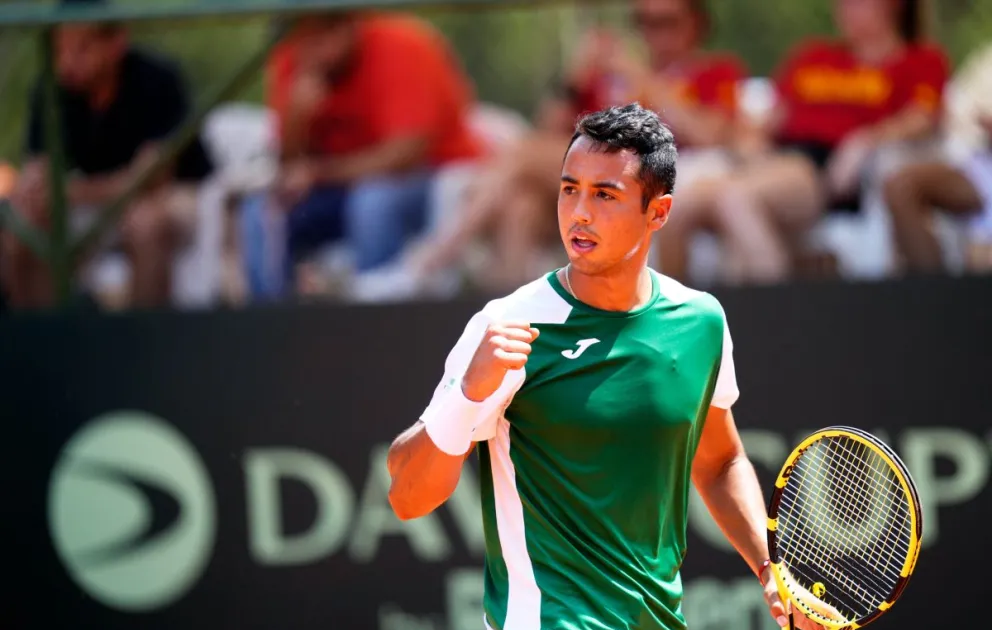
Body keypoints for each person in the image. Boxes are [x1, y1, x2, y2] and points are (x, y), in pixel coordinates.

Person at [386, 104, 839, 630]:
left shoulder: (700, 323)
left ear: (658, 212)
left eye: (605, 195)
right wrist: (469, 395)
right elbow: (407, 496)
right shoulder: (507, 324)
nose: (579, 213)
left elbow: (718, 461)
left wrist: (772, 572)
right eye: (569, 189)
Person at [410, 0, 746, 293]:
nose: (653, 33)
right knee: (520, 207)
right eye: (643, 22)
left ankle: (438, 257)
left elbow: (712, 136)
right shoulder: (614, 77)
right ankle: (518, 332)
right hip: (598, 180)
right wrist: (575, 77)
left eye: (666, 22)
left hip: (657, 176)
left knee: (523, 154)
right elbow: (549, 128)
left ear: (697, 24)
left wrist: (647, 81)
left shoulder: (714, 71)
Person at [678, 0, 948, 284]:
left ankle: (773, 312)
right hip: (776, 162)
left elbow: (923, 118)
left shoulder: (919, 60)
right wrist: (749, 142)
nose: (844, 8)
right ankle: (665, 321)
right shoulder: (813, 56)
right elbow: (769, 121)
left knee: (734, 199)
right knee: (681, 208)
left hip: (825, 168)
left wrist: (866, 140)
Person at [1, 0, 213, 309]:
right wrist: (36, 195)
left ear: (116, 43)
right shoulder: (51, 89)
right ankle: (45, 336)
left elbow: (150, 179)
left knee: (143, 223)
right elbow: (38, 176)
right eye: (60, 49)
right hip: (93, 209)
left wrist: (69, 193)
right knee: (22, 224)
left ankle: (144, 343)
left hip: (180, 198)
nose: (67, 62)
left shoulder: (156, 79)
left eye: (81, 48)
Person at [260, 10, 481, 297]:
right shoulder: (293, 57)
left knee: (372, 201)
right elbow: (287, 164)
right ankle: (276, 315)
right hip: (337, 185)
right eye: (304, 34)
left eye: (322, 33)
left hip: (434, 175)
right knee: (264, 209)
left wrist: (318, 172)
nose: (311, 47)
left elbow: (406, 154)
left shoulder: (402, 44)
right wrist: (296, 120)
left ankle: (375, 313)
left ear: (349, 24)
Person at [882, 40, 992, 274]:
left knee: (982, 259)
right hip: (975, 162)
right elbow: (962, 112)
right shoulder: (987, 58)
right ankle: (933, 294)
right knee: (901, 186)